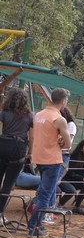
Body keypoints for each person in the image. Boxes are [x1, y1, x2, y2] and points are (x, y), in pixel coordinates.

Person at [28, 88, 72, 238]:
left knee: (44, 193)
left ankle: (35, 224)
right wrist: (61, 141)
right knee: (45, 196)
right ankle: (34, 226)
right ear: (63, 101)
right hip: (52, 160)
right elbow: (68, 144)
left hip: (39, 158)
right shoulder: (59, 119)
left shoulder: (39, 115)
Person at [0, 87, 34, 224]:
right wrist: (30, 153)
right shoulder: (30, 116)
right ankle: (0, 213)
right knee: (8, 183)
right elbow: (32, 137)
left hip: (3, 143)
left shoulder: (4, 112)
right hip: (18, 148)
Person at [57, 139, 84, 215]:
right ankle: (76, 207)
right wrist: (83, 178)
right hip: (67, 179)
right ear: (81, 149)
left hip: (78, 180)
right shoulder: (74, 158)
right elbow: (70, 173)